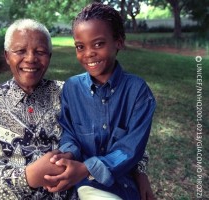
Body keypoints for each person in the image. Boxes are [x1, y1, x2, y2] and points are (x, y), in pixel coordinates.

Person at [0, 18, 154, 200]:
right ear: (7, 56)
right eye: (20, 50)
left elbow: (122, 134)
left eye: (40, 51)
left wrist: (139, 172)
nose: (30, 59)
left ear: (49, 57)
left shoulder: (70, 92)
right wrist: (28, 176)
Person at [44, 3, 156, 200]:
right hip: (81, 183)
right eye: (80, 46)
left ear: (118, 42)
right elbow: (69, 132)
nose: (88, 53)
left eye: (98, 44)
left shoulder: (138, 92)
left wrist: (88, 168)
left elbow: (131, 148)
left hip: (123, 181)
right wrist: (68, 154)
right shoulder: (72, 88)